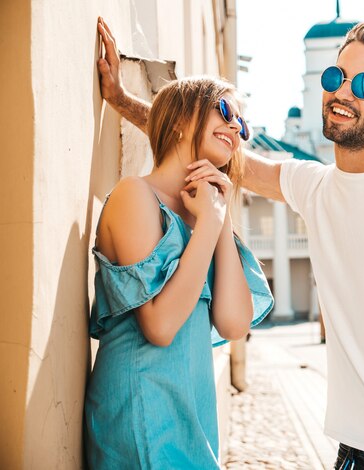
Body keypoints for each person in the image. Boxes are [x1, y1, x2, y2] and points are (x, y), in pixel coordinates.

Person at [97, 17, 364, 470]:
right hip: (356, 451)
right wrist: (121, 100)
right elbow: (207, 139)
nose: (343, 92)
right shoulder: (315, 186)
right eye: (335, 77)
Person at [87, 23, 273, 468]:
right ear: (182, 118)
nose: (236, 125)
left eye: (241, 122)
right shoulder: (135, 196)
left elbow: (232, 323)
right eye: (225, 109)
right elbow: (160, 326)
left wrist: (218, 218)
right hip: (141, 417)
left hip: (192, 421)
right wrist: (209, 224)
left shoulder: (208, 216)